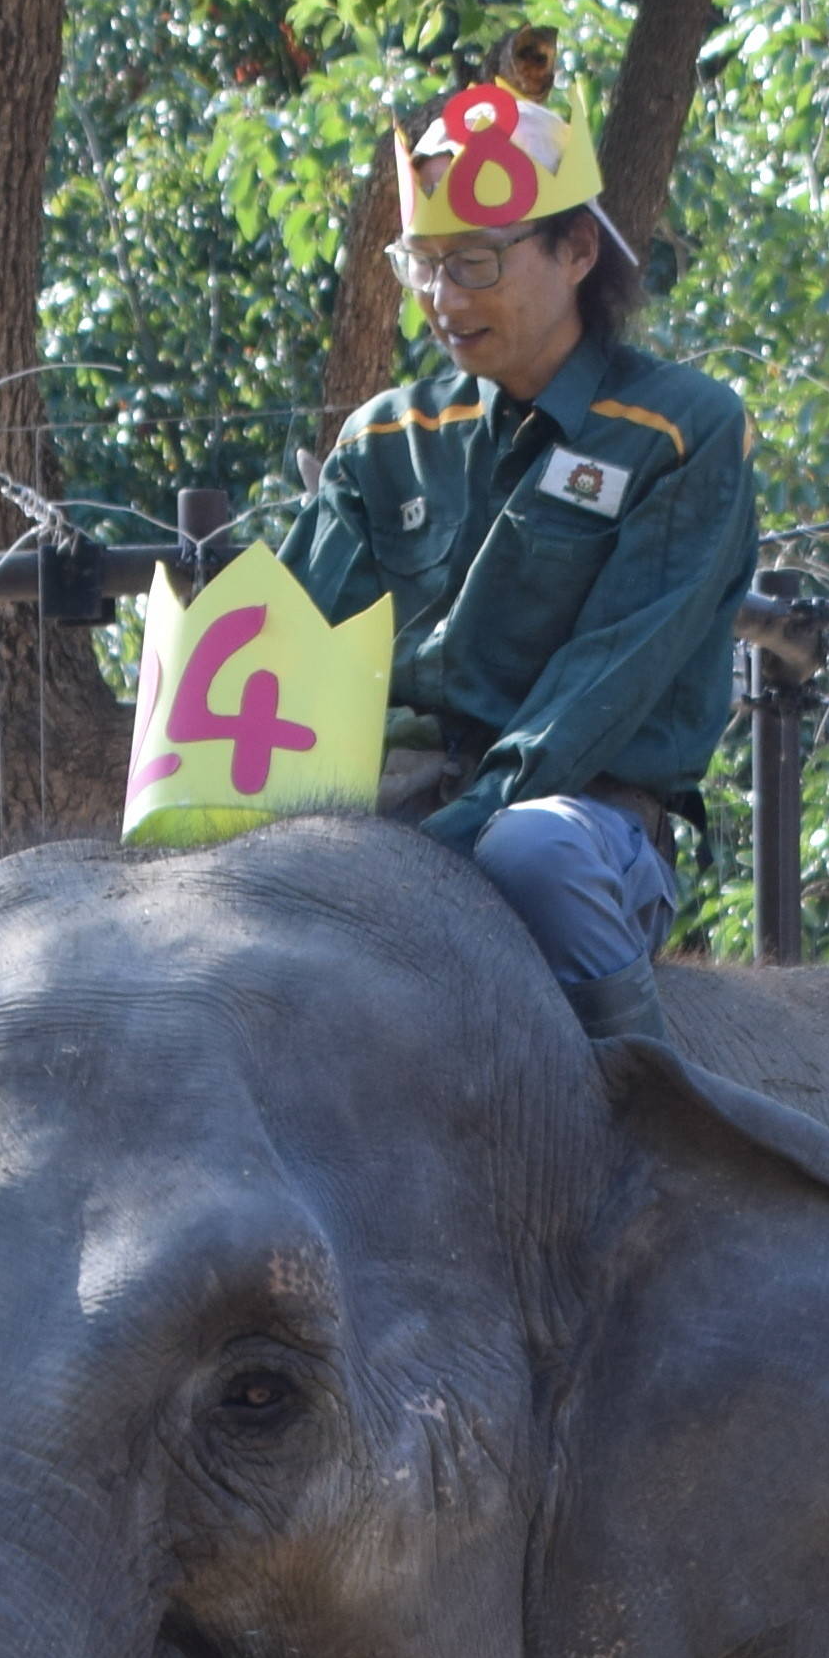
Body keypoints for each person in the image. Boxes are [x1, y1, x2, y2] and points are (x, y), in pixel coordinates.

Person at [269, 59, 760, 1054]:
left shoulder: (682, 430)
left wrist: (454, 838)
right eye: (423, 265)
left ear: (576, 251)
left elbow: (605, 681)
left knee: (533, 849)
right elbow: (284, 654)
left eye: (476, 264)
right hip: (384, 812)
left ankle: (645, 1104)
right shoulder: (382, 439)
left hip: (578, 821)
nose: (443, 297)